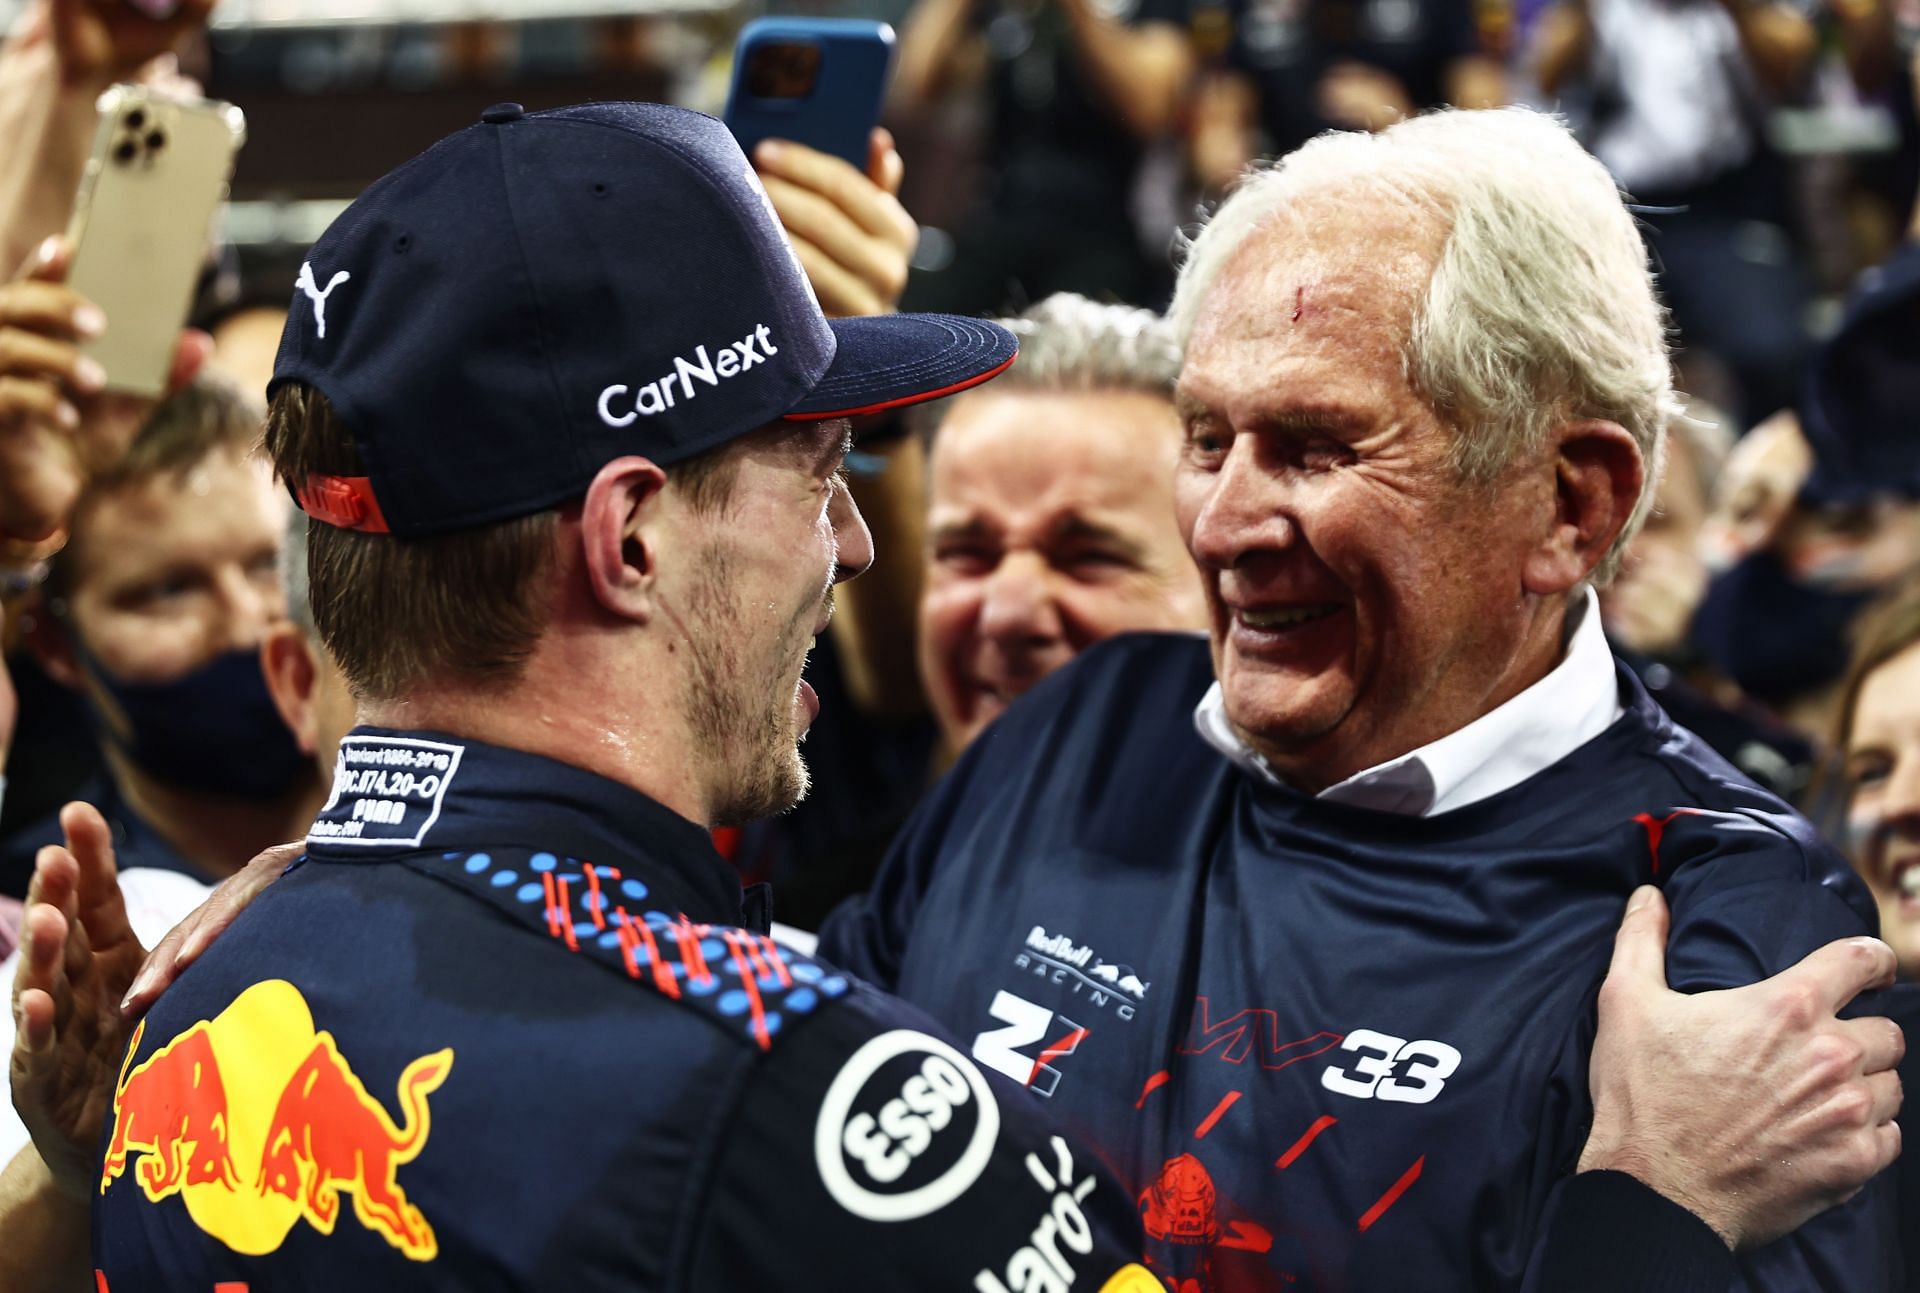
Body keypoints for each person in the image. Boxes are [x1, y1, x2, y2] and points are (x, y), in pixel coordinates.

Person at [76, 99, 1164, 1292]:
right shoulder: (795, 1107)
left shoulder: (187, 1014)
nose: (850, 544)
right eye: (814, 471)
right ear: (630, 541)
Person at [817, 106, 1901, 1289]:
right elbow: (799, 1170)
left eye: (1314, 447)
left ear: (1570, 505)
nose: (1223, 524)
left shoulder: (1734, 936)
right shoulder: (1078, 727)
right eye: (1205, 437)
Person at [2, 369, 324, 894]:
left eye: (271, 563)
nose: (246, 626)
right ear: (54, 645)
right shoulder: (44, 915)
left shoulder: (458, 818)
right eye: (170, 591)